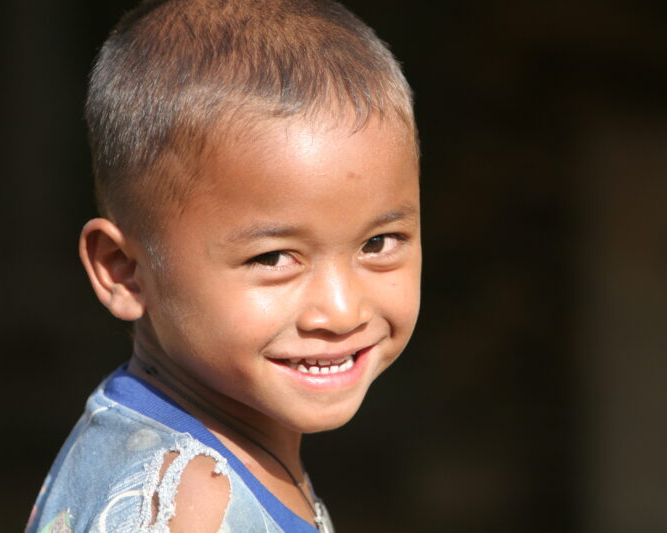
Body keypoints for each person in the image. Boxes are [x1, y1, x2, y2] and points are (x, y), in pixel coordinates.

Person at [26, 0, 421, 531]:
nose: (342, 309)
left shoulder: (204, 448)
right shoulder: (188, 501)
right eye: (274, 257)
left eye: (378, 243)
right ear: (124, 269)